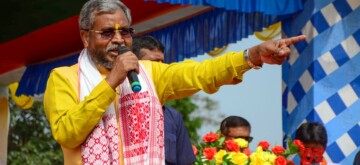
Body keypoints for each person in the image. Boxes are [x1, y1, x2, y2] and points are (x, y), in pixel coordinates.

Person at [43, 0, 306, 164]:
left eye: (125, 31)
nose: (119, 39)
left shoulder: (148, 73)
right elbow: (67, 133)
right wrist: (111, 81)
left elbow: (200, 73)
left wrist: (251, 55)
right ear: (85, 37)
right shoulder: (64, 78)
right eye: (107, 32)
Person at [131, 35, 195, 165]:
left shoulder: (172, 116)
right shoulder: (116, 108)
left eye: (162, 62)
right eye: (154, 63)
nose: (161, 69)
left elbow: (185, 161)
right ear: (133, 65)